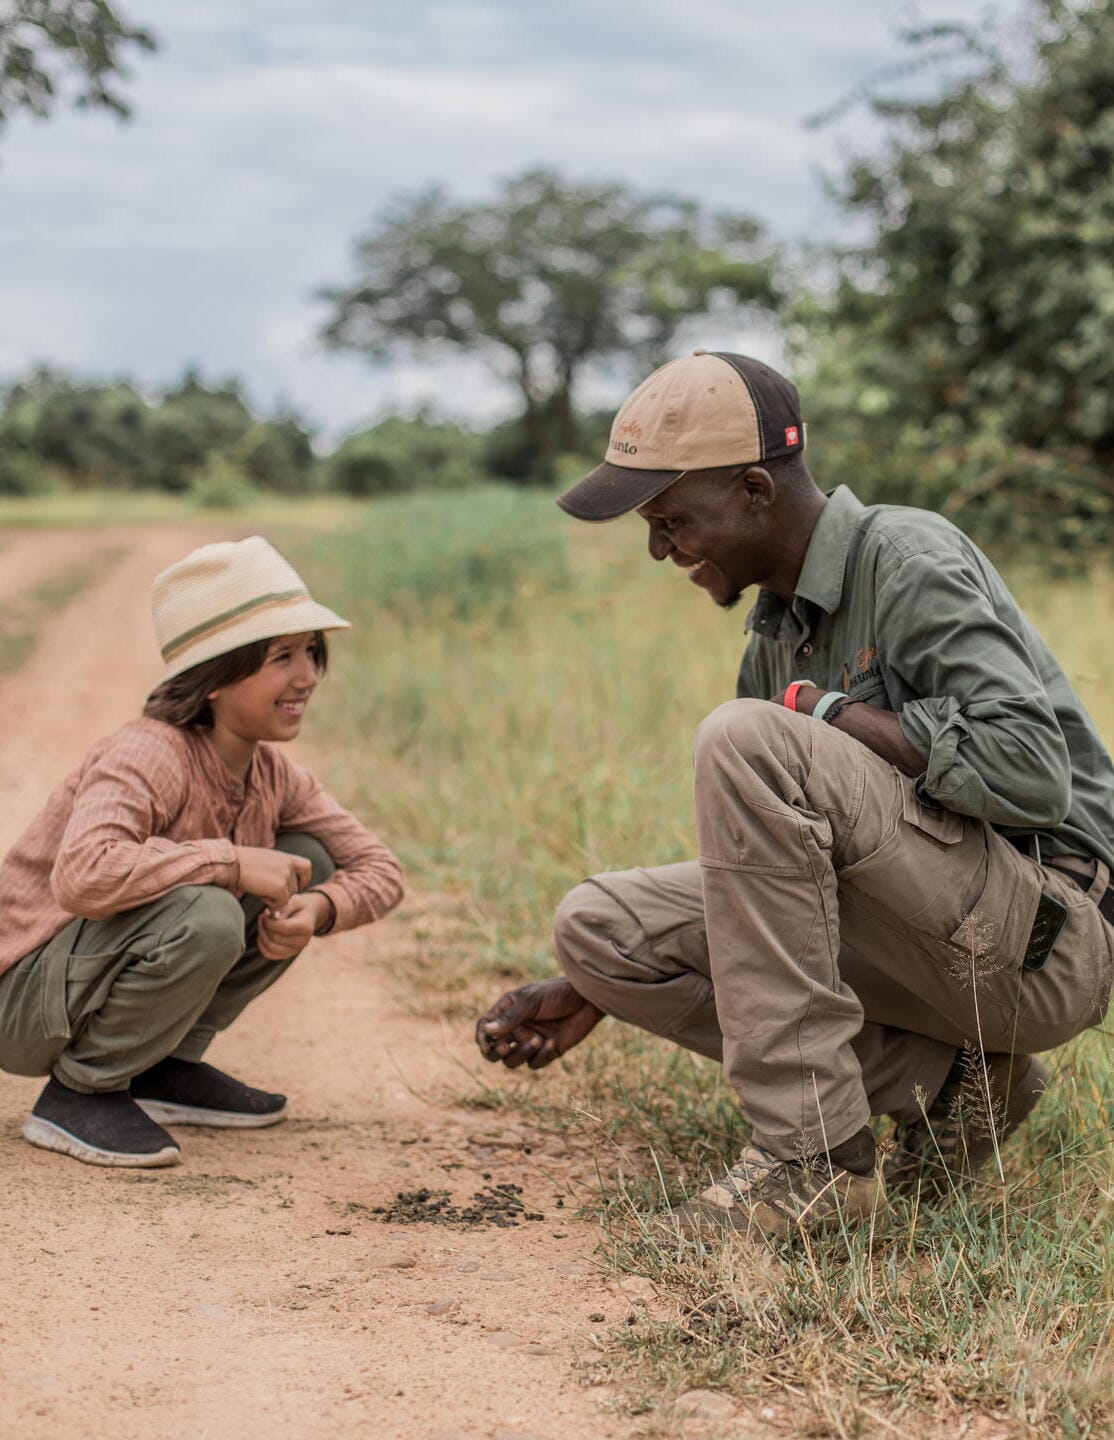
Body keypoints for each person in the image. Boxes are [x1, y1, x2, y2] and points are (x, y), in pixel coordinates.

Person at [475, 349, 1114, 1242]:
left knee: (744, 733)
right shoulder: (774, 629)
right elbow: (771, 869)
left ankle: (812, 1161)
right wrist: (599, 987)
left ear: (753, 490)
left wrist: (830, 715)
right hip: (931, 945)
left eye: (670, 518)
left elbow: (1030, 769)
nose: (661, 547)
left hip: (1042, 942)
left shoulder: (906, 556)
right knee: (598, 926)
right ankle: (952, 1084)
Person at [0, 536, 403, 1169]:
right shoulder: (149, 751)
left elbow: (380, 869)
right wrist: (233, 862)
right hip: (21, 1000)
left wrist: (321, 908)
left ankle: (161, 1065)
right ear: (215, 678)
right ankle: (79, 1093)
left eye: (311, 653)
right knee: (211, 911)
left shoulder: (274, 773)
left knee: (310, 862)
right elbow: (81, 876)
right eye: (282, 657)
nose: (307, 677)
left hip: (77, 985)